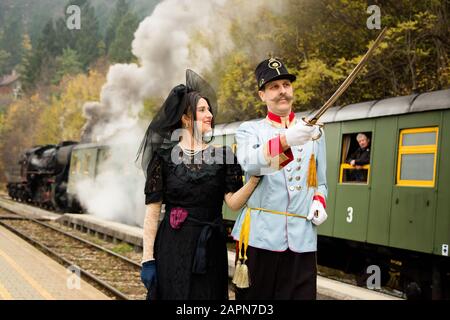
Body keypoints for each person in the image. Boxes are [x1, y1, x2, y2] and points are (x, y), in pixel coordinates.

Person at [137, 69, 261, 300]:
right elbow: (152, 213)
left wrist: (254, 179)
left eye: (209, 110)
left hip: (210, 248)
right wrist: (148, 260)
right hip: (172, 247)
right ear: (186, 117)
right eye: (202, 110)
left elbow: (233, 203)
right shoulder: (163, 158)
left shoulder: (224, 156)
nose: (210, 115)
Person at [230, 57, 328, 300]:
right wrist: (286, 139)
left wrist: (319, 201)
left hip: (302, 238)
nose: (282, 91)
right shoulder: (249, 130)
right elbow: (251, 164)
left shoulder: (315, 132)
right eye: (274, 87)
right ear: (262, 95)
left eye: (286, 84)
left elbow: (321, 181)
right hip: (260, 239)